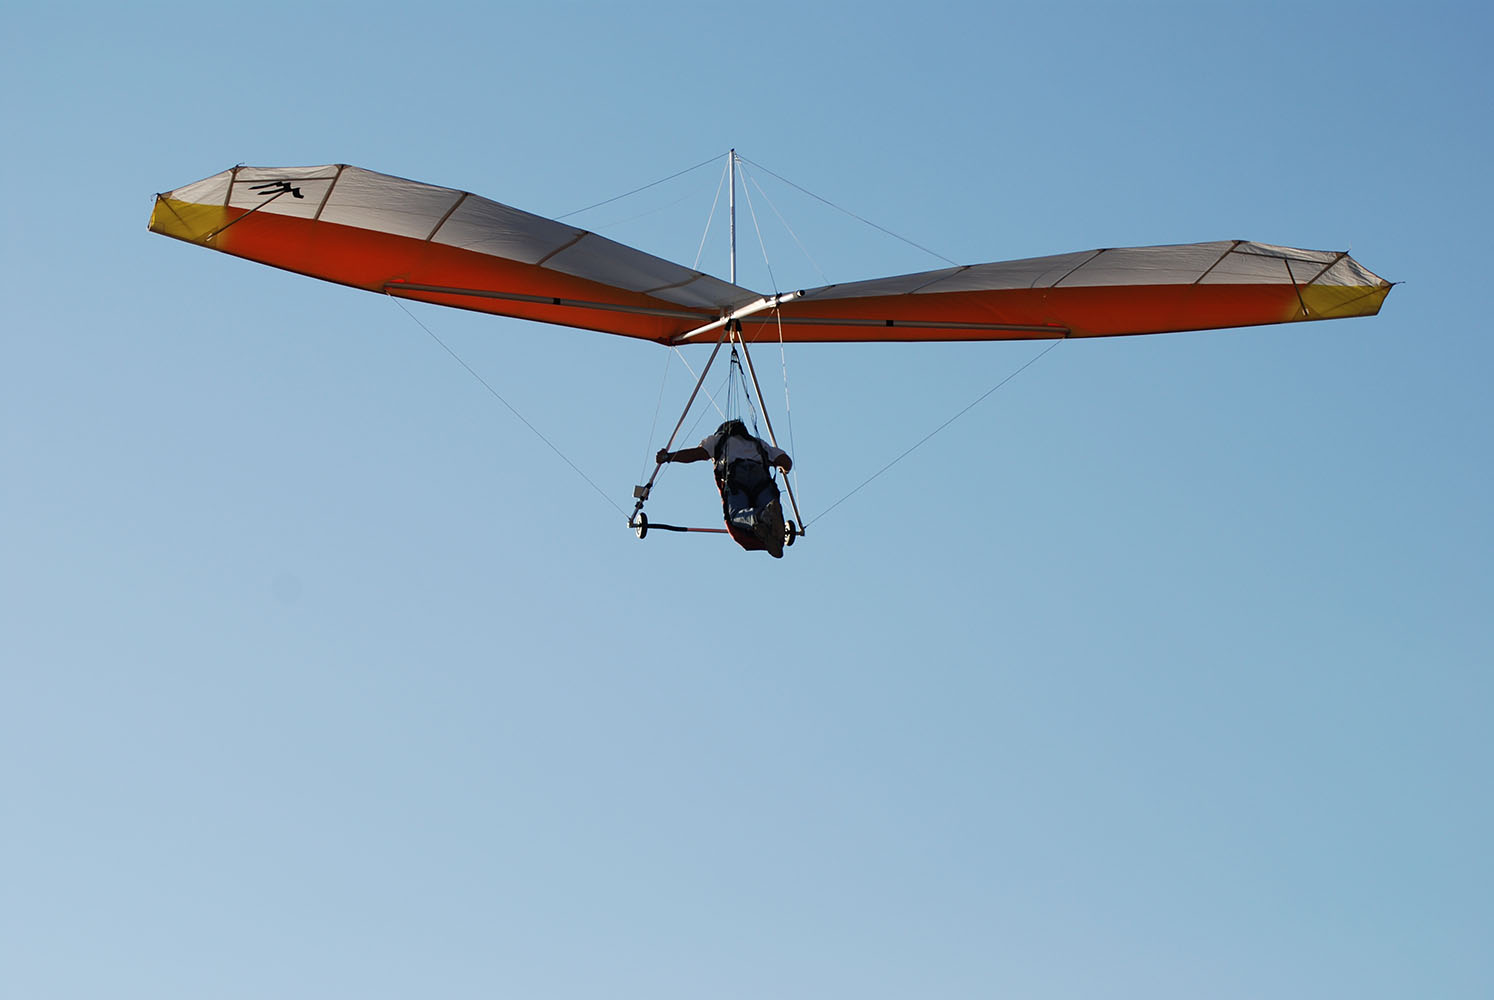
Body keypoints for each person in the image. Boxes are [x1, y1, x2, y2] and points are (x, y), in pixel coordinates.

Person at [657, 419, 793, 557]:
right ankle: (770, 518)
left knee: (736, 515)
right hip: (761, 479)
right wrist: (784, 469)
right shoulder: (758, 443)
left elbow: (697, 454)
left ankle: (761, 516)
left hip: (737, 478)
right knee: (769, 505)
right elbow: (786, 462)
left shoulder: (718, 440)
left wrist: (668, 456)